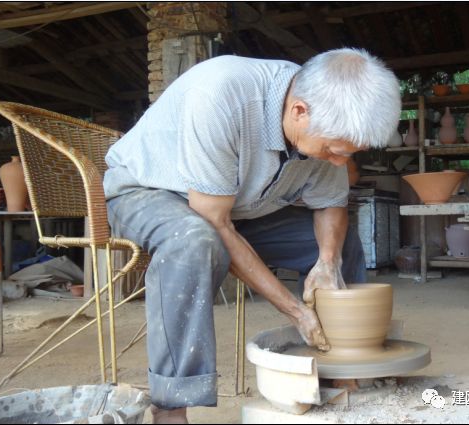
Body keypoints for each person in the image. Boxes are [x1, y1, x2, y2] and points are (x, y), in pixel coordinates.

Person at [104, 47, 401, 424]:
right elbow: (213, 221)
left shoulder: (322, 117)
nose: (340, 163)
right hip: (151, 191)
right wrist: (295, 310)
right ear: (299, 112)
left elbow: (330, 202)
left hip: (240, 206)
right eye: (333, 150)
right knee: (193, 241)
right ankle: (170, 407)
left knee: (341, 246)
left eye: (349, 153)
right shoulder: (221, 94)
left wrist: (328, 261)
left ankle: (345, 363)